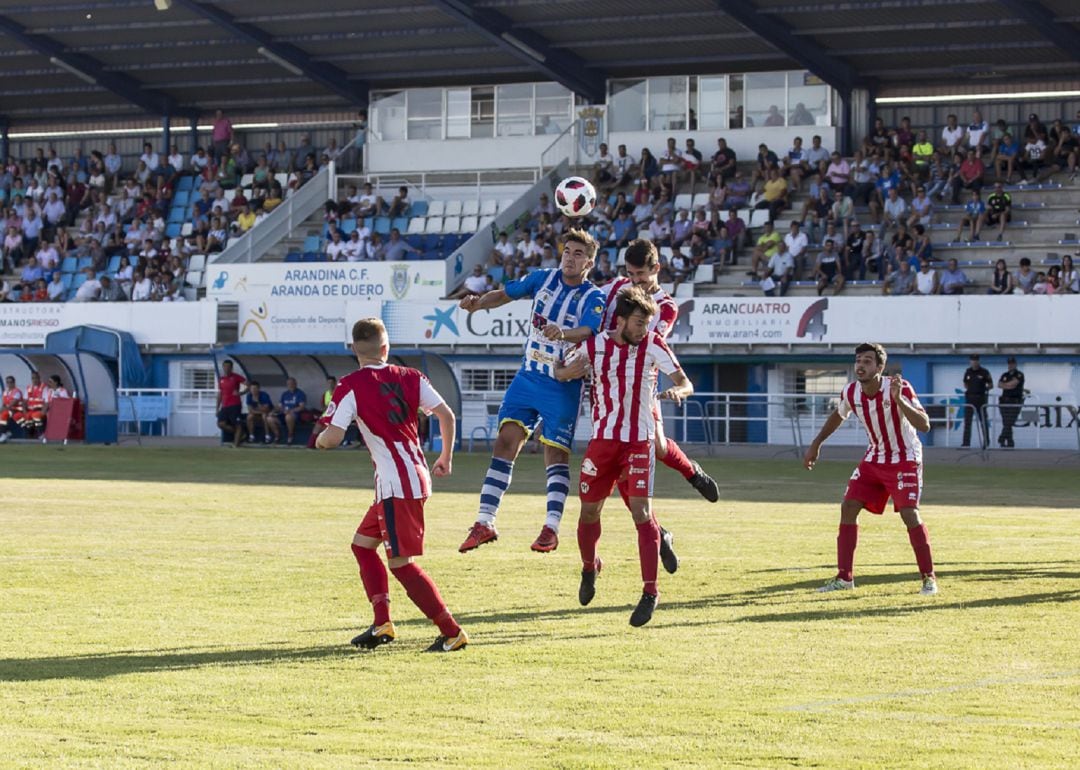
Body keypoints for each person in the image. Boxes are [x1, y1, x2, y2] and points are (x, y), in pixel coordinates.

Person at [317, 318, 467, 653]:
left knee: (401, 563)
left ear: (353, 349)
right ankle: (382, 623)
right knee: (361, 545)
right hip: (412, 477)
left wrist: (321, 441)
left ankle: (451, 631)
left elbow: (333, 436)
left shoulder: (351, 385)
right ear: (387, 348)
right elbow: (447, 416)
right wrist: (446, 457)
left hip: (397, 486)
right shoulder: (412, 377)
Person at [457, 229, 605, 554]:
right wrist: (479, 304)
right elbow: (505, 294)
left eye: (579, 254)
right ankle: (484, 521)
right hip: (527, 378)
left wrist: (564, 334)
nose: (570, 257)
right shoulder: (542, 278)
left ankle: (551, 527)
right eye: (567, 251)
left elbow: (588, 331)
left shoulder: (594, 297)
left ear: (590, 262)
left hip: (562, 383)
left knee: (554, 454)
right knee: (504, 441)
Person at [555, 285, 695, 626]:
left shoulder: (653, 345)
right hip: (602, 443)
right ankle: (590, 567)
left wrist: (678, 390)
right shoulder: (594, 346)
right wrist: (565, 371)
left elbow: (685, 381)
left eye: (646, 324)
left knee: (642, 512)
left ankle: (650, 592)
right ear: (619, 320)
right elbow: (561, 371)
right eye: (637, 323)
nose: (643, 330)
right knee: (589, 512)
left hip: (639, 442)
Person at [803, 343, 937, 596]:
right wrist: (816, 443)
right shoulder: (851, 392)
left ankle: (928, 578)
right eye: (858, 360)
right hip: (874, 458)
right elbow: (838, 416)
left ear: (880, 367)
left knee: (909, 514)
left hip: (904, 457)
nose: (860, 365)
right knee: (848, 506)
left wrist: (899, 401)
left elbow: (925, 425)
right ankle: (845, 578)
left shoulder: (899, 387)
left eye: (867, 361)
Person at [961, 353, 992, 449]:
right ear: (970, 362)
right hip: (970, 399)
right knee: (967, 422)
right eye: (972, 360)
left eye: (976, 360)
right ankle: (966, 443)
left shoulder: (984, 372)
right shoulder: (968, 372)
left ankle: (986, 443)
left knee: (983, 421)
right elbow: (965, 384)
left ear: (978, 361)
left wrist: (983, 388)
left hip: (981, 399)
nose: (974, 362)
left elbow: (990, 385)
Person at [216, 359, 247, 447]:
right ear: (223, 367)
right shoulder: (221, 379)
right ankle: (241, 434)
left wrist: (240, 392)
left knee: (237, 424)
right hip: (225, 405)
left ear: (231, 368)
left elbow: (247, 384)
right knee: (221, 424)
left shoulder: (236, 377)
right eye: (225, 366)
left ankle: (236, 445)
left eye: (228, 367)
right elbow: (220, 394)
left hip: (235, 404)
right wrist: (217, 408)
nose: (227, 368)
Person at [997, 357, 1025, 449]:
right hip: (1004, 401)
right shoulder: (1005, 374)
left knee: (1010, 421)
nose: (1010, 365)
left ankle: (1002, 438)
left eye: (1012, 363)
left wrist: (1006, 385)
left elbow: (1014, 384)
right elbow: (999, 384)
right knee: (1006, 422)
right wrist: (1007, 386)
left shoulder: (1019, 374)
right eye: (1009, 363)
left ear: (1015, 364)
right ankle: (1010, 443)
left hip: (1015, 401)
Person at [277, 377, 308, 445]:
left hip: (295, 415)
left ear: (295, 384)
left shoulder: (300, 393)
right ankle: (277, 436)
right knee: (270, 418)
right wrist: (283, 410)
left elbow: (301, 407)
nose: (290, 385)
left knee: (288, 417)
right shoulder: (284, 394)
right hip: (283, 413)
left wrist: (291, 411)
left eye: (292, 384)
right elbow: (279, 405)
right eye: (289, 384)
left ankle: (290, 435)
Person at [0, 375, 24, 441]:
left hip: (16, 411)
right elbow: (4, 404)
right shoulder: (5, 392)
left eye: (11, 382)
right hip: (9, 410)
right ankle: (6, 432)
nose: (9, 384)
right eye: (7, 382)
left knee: (3, 415)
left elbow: (11, 404)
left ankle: (4, 434)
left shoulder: (17, 392)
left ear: (14, 383)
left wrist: (2, 410)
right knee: (2, 413)